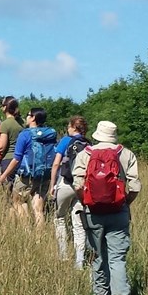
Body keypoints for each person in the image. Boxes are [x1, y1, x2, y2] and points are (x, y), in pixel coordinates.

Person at [72, 120, 142, 295]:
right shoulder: (126, 154)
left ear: (97, 135)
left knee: (98, 257)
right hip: (118, 212)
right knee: (117, 258)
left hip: (93, 212)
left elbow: (78, 185)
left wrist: (85, 203)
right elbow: (135, 186)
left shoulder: (85, 154)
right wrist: (126, 203)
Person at [0, 108, 57, 226]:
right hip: (44, 175)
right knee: (38, 209)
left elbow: (16, 159)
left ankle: (27, 232)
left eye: (28, 115)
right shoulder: (49, 134)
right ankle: (39, 239)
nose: (26, 117)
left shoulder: (25, 134)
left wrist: (2, 177)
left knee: (18, 202)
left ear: (33, 118)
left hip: (26, 176)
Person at [49, 115, 90, 269]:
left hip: (65, 184)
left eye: (69, 125)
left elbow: (56, 164)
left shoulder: (66, 141)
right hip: (82, 187)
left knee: (59, 218)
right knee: (78, 224)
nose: (67, 128)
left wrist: (52, 185)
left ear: (74, 127)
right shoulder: (89, 144)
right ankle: (79, 262)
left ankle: (63, 255)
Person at [0, 97, 24, 189]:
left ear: (5, 107)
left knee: (9, 190)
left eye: (2, 106)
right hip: (22, 160)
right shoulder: (22, 122)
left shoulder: (5, 124)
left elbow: (1, 147)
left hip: (8, 159)